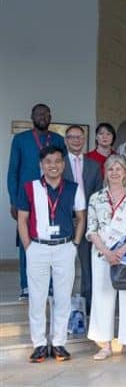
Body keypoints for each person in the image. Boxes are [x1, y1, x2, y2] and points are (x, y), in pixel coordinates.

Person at [16, 146, 85, 362]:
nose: (53, 165)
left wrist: (75, 244)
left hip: (64, 247)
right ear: (41, 165)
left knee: (63, 298)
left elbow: (81, 218)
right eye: (48, 162)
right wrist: (28, 247)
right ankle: (38, 344)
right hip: (38, 247)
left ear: (63, 164)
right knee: (37, 298)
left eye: (57, 161)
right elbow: (22, 220)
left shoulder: (73, 188)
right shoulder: (29, 188)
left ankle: (58, 343)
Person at [86, 155, 126, 361]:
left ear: (125, 172)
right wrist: (106, 251)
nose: (115, 172)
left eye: (119, 168)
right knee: (102, 296)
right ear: (105, 172)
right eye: (111, 169)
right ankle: (104, 344)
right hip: (102, 253)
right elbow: (91, 229)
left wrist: (122, 250)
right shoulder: (96, 198)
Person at [7, 104, 66, 299]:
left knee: (51, 242)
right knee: (27, 241)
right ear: (32, 116)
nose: (43, 116)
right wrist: (14, 200)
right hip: (27, 198)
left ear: (51, 117)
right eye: (39, 113)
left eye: (46, 113)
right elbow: (13, 171)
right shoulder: (21, 139)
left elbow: (64, 169)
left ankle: (50, 286)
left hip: (53, 198)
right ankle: (26, 285)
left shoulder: (57, 140)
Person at [63, 125, 103, 313]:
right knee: (63, 266)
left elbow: (98, 195)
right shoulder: (59, 163)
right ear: (66, 140)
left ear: (85, 139)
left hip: (87, 221)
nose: (76, 140)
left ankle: (87, 306)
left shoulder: (94, 166)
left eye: (79, 137)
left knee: (87, 266)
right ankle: (63, 305)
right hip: (64, 220)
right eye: (72, 137)